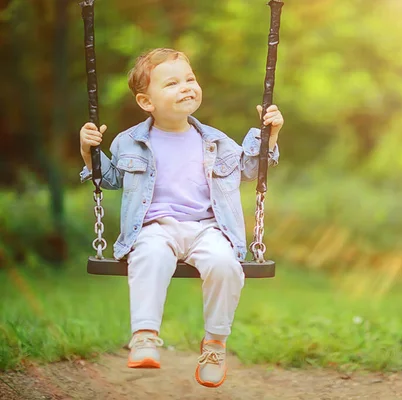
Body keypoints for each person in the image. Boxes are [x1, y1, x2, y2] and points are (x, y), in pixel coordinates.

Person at [78, 48, 284, 388]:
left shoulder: (217, 142)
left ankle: (215, 344)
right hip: (155, 228)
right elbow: (110, 179)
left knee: (225, 265)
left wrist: (270, 135)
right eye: (172, 83)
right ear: (147, 102)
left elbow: (251, 169)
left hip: (208, 229)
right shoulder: (129, 142)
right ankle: (144, 335)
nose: (186, 86)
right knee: (150, 255)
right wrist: (90, 154)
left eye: (189, 79)